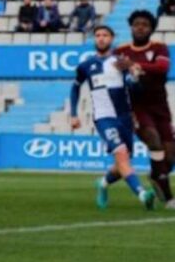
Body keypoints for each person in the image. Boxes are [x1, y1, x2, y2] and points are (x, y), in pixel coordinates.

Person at [71, 25, 156, 210]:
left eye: (105, 35)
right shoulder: (86, 65)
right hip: (104, 118)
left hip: (124, 118)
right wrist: (73, 114)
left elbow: (136, 90)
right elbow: (75, 87)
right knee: (122, 155)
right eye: (98, 35)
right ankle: (143, 194)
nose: (101, 38)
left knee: (122, 164)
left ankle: (102, 183)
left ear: (112, 38)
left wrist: (134, 77)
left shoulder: (121, 63)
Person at [114, 11, 175, 209]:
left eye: (145, 24)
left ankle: (156, 175)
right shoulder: (121, 50)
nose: (140, 27)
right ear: (131, 27)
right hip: (136, 107)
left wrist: (133, 65)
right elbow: (115, 73)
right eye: (137, 24)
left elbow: (162, 68)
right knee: (153, 141)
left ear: (151, 28)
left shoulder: (160, 47)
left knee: (170, 156)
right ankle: (168, 198)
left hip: (160, 106)